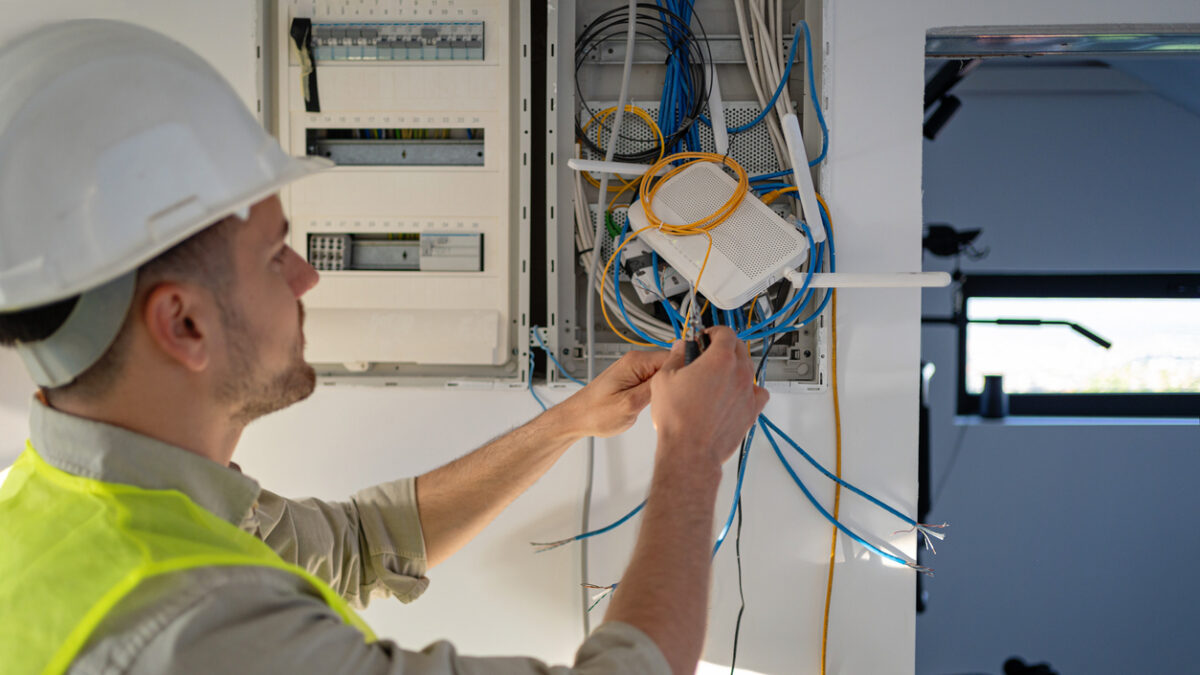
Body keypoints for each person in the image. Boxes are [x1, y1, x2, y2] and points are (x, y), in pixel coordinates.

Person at [0, 20, 768, 675]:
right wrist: (692, 454)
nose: (305, 278)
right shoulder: (194, 626)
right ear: (183, 324)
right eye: (275, 256)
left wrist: (568, 420)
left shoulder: (62, 505)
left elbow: (366, 545)